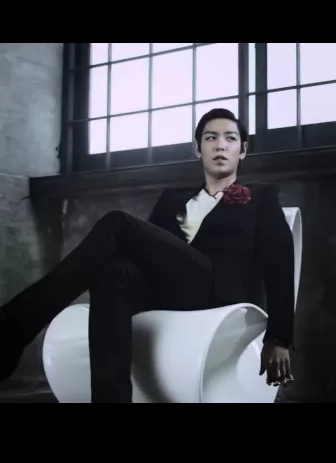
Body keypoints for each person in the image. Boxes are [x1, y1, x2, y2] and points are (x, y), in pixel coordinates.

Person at [0, 108, 295, 403]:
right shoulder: (173, 199)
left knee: (118, 224)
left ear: (242, 150)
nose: (220, 145)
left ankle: (14, 327)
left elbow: (280, 263)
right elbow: (148, 252)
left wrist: (278, 338)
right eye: (211, 138)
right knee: (114, 272)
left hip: (218, 292)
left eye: (230, 139)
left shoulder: (261, 198)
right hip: (170, 292)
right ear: (197, 149)